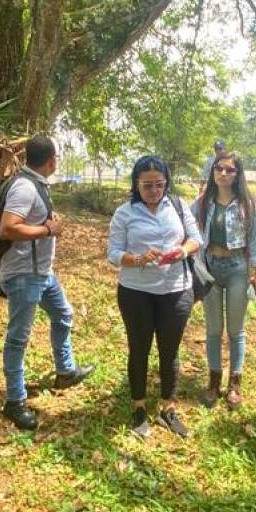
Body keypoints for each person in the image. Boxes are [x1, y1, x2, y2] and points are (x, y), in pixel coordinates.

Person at [0, 134, 95, 430]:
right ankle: (15, 401)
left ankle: (66, 371)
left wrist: (46, 222)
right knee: (18, 339)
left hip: (41, 273)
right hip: (24, 275)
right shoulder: (25, 187)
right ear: (51, 160)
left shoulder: (35, 182)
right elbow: (7, 229)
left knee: (63, 314)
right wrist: (47, 229)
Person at [107, 156, 203, 438]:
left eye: (159, 184)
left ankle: (168, 407)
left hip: (176, 290)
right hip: (136, 292)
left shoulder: (177, 206)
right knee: (139, 348)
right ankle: (138, 407)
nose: (154, 190)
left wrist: (183, 251)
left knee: (170, 351)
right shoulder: (125, 213)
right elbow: (112, 253)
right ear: (136, 184)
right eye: (147, 185)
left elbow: (197, 238)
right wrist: (137, 259)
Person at [193, 151, 256, 410]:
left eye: (229, 170)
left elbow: (255, 239)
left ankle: (235, 382)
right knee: (213, 330)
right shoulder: (203, 203)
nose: (223, 173)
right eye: (219, 169)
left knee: (235, 331)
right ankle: (213, 381)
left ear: (237, 174)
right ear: (213, 172)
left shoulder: (246, 204)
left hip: (237, 268)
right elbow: (186, 226)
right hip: (210, 268)